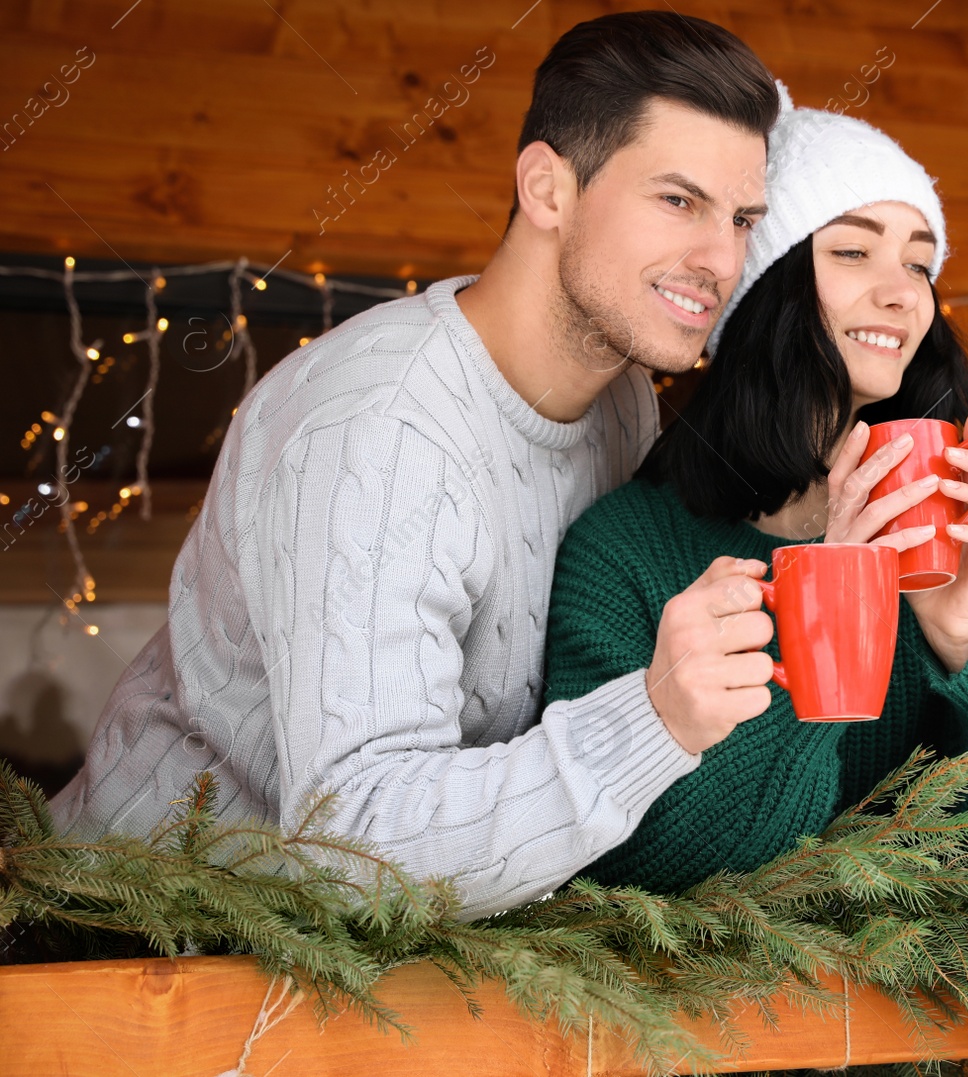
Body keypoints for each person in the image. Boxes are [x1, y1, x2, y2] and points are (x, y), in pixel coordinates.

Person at [50, 12, 787, 920]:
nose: (720, 257)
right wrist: (652, 721)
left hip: (365, 959)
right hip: (131, 946)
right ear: (547, 188)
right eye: (678, 201)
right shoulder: (382, 428)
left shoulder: (622, 400)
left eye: (742, 217)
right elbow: (354, 840)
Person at [542, 98, 968, 894]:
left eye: (920, 263)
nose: (905, 294)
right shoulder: (626, 549)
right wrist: (832, 598)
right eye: (854, 252)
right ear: (764, 287)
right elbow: (635, 865)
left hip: (964, 1008)